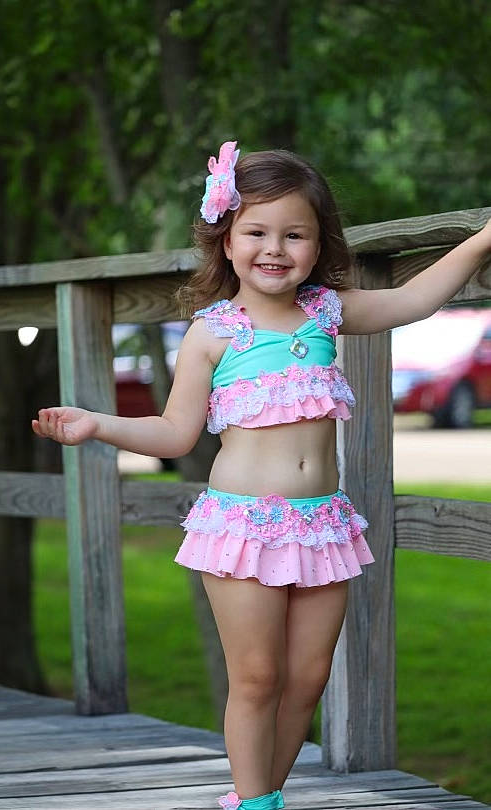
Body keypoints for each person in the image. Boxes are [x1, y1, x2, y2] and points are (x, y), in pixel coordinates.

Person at [32, 142, 490, 810]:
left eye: (294, 234)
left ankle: (262, 796)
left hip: (323, 524)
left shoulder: (330, 312)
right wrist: (97, 424)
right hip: (243, 525)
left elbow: (417, 298)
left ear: (317, 243)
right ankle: (255, 804)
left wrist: (481, 242)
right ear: (226, 239)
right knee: (257, 678)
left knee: (305, 682)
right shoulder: (214, 333)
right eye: (256, 232)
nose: (274, 249)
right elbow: (174, 431)